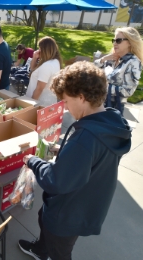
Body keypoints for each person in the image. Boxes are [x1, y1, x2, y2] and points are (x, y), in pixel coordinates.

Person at [18, 61, 132, 260]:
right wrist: (64, 151)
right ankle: (40, 250)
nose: (66, 108)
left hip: (68, 211)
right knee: (43, 219)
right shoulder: (111, 122)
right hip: (87, 203)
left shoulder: (84, 139)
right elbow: (91, 157)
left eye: (66, 101)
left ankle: (47, 251)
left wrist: (34, 161)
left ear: (81, 97)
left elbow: (56, 181)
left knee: (60, 250)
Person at [94, 27, 143, 115]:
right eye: (114, 40)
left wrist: (102, 87)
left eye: (119, 40)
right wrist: (103, 59)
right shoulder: (112, 57)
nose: (115, 43)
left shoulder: (133, 62)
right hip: (97, 103)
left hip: (113, 108)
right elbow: (92, 71)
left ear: (129, 42)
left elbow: (128, 91)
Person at [25, 36, 62, 106]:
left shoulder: (47, 65)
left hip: (39, 103)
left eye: (40, 48)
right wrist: (34, 57)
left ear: (45, 50)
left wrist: (30, 105)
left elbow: (39, 88)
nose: (39, 50)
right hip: (48, 101)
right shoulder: (55, 61)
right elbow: (32, 68)